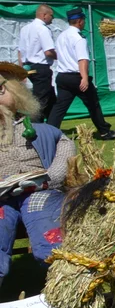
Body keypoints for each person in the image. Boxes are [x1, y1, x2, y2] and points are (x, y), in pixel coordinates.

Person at [0, 62, 73, 287]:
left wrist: (50, 177)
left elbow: (65, 148)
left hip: (39, 192)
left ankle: (65, 284)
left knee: (48, 233)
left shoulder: (42, 131)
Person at [47, 9, 115, 140]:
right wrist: (84, 78)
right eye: (83, 20)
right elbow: (82, 59)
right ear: (79, 21)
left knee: (59, 107)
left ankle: (49, 133)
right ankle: (104, 131)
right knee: (93, 104)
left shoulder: (62, 36)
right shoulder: (79, 38)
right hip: (76, 76)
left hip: (62, 76)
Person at [16, 4, 57, 121]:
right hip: (41, 67)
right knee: (40, 101)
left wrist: (21, 69)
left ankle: (53, 124)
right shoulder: (43, 29)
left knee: (51, 99)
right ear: (44, 15)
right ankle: (36, 127)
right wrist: (61, 57)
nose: (52, 18)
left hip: (28, 66)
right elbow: (49, 51)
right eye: (51, 15)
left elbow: (20, 52)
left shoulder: (25, 28)